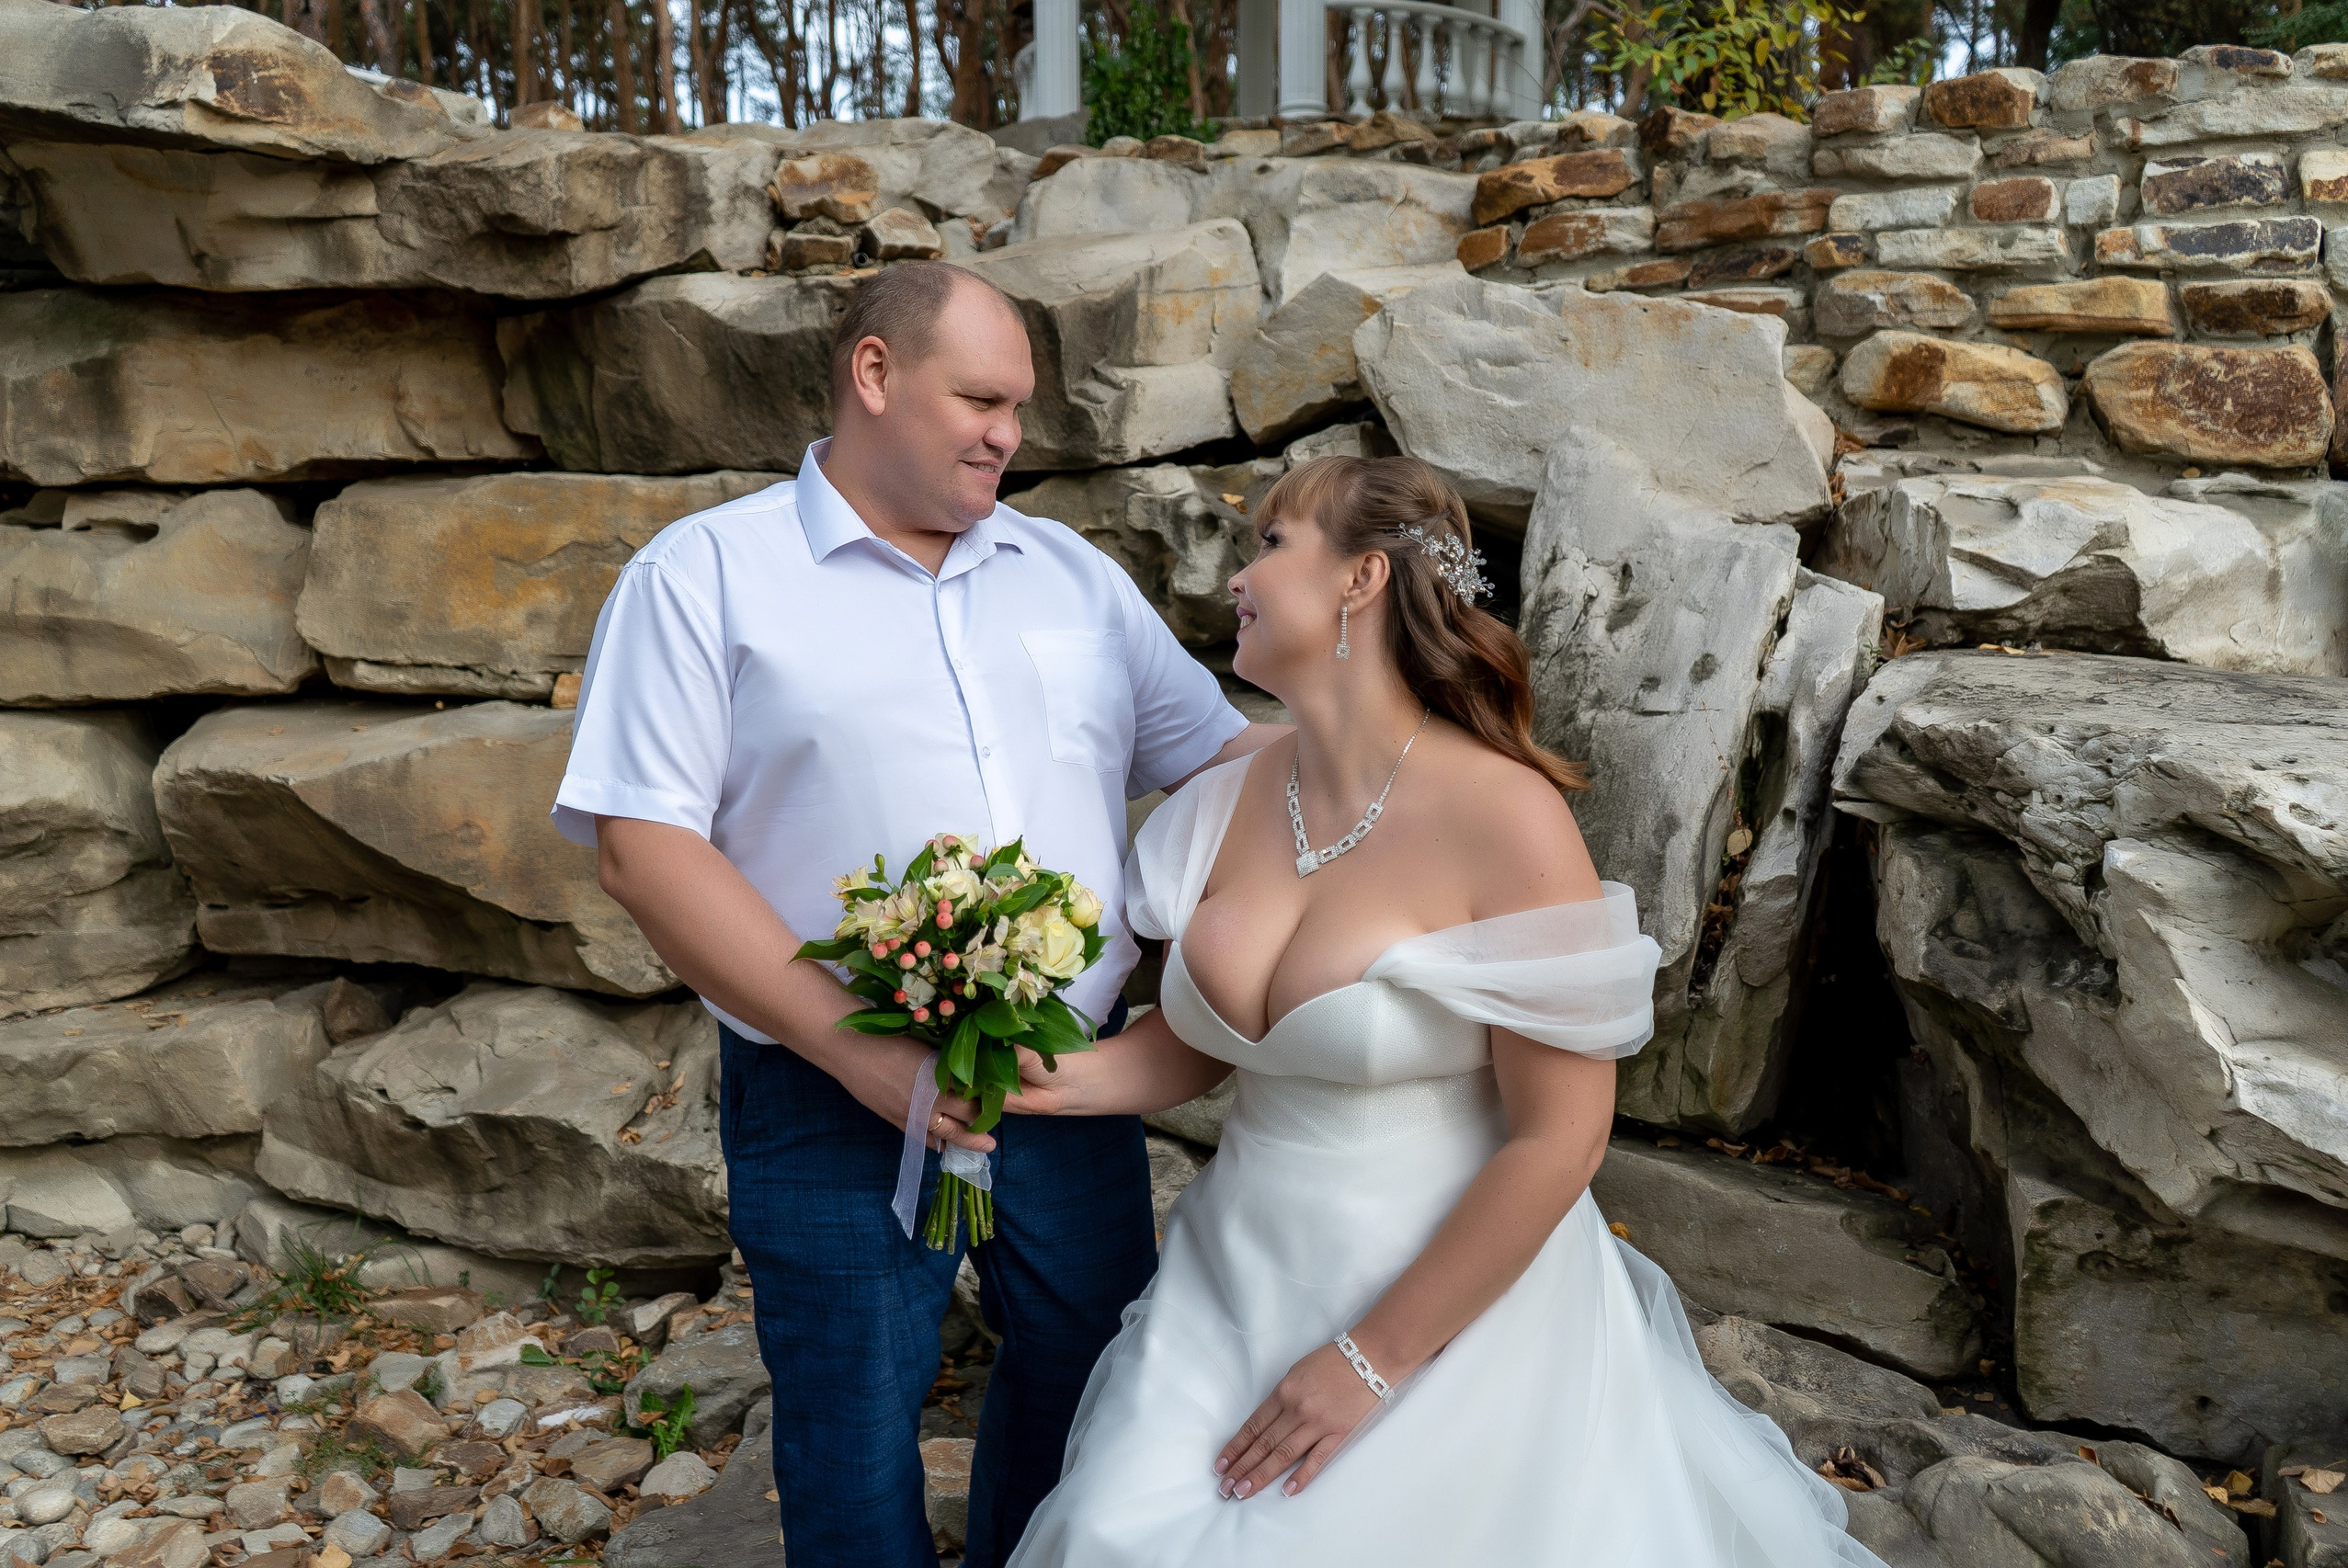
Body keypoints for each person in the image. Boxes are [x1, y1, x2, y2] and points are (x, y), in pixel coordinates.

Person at [1000, 454, 1892, 1566]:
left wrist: (1370, 1359)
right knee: (1111, 1532)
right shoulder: (1220, 802)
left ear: (1360, 577)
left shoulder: (1505, 816)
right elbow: (1195, 1048)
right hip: (1224, 1289)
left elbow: (1560, 1137)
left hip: (1447, 1310)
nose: (1237, 575)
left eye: (1270, 544)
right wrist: (1032, 1079)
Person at [550, 260, 1282, 1568]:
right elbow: (644, 850)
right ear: (876, 374)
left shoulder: (1069, 574)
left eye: (1021, 406)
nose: (1010, 433)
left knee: (1093, 1383)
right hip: (823, 1085)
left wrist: (1423, 762)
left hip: (1066, 1078)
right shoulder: (704, 575)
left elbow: (1226, 762)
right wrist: (860, 1050)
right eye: (982, 399)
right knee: (851, 1424)